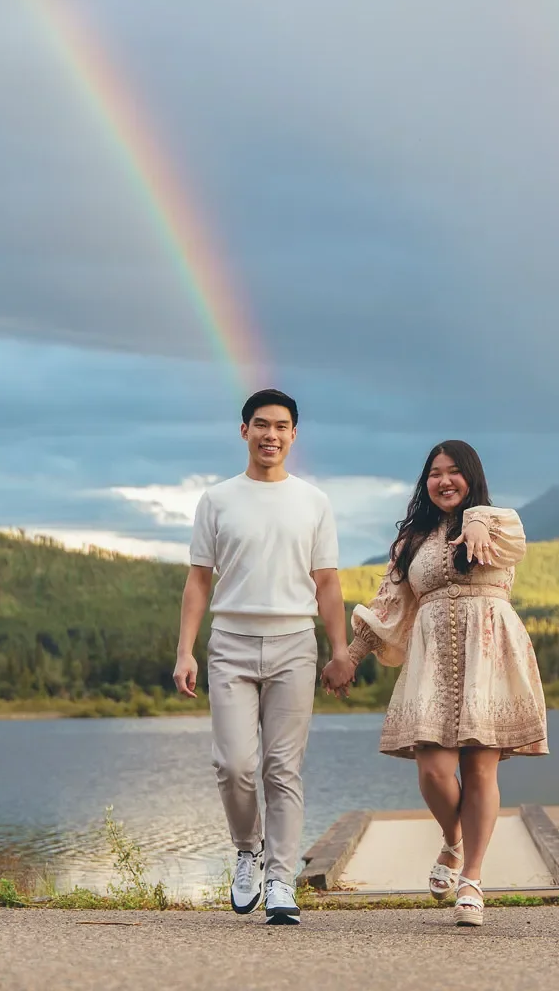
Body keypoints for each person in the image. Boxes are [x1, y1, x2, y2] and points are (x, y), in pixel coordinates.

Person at [320, 440, 546, 927]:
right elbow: (389, 607)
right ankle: (453, 839)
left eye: (454, 472)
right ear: (426, 482)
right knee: (433, 770)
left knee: (480, 770)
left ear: (471, 476)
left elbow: (512, 539)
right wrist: (350, 656)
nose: (444, 481)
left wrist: (477, 520)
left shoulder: (499, 523)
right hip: (432, 660)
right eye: (435, 473)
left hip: (489, 653)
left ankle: (473, 879)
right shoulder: (412, 541)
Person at [173, 389, 346, 925]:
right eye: (262, 425)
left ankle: (280, 880)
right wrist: (185, 651)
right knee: (234, 765)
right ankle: (248, 849)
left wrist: (340, 649)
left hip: (295, 643)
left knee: (282, 768)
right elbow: (199, 580)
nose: (272, 435)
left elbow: (327, 583)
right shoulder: (217, 499)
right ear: (244, 430)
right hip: (230, 644)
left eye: (282, 426)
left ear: (294, 435)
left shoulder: (313, 501)